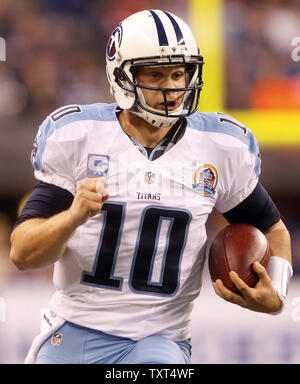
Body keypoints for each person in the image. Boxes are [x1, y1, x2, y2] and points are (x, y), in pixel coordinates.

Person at [10, 9, 293, 364]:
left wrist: (277, 290)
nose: (172, 88)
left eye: (178, 74)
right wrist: (72, 217)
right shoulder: (79, 137)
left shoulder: (219, 147)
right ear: (122, 75)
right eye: (156, 75)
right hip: (76, 329)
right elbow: (23, 254)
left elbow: (273, 229)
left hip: (160, 340)